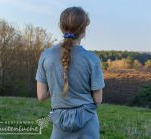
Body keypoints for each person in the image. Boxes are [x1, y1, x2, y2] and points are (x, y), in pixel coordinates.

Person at [35, 6, 105, 139]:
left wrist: (58, 84)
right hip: (87, 126)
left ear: (61, 27)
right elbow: (98, 99)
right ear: (84, 30)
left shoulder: (46, 56)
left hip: (59, 124)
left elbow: (41, 96)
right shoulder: (92, 59)